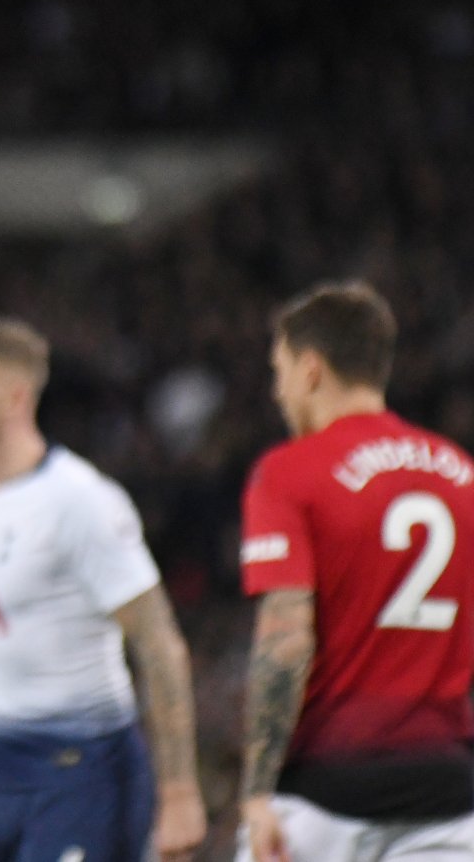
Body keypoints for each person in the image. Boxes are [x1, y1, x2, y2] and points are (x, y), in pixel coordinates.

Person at [0, 314, 206, 862]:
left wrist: (178, 792)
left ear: (16, 397)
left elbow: (159, 644)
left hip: (83, 767)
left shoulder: (79, 502)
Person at [238, 281, 474, 862]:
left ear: (311, 369)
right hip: (446, 795)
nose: (277, 390)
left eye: (280, 370)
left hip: (326, 799)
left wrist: (256, 792)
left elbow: (285, 642)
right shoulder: (461, 472)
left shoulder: (290, 473)